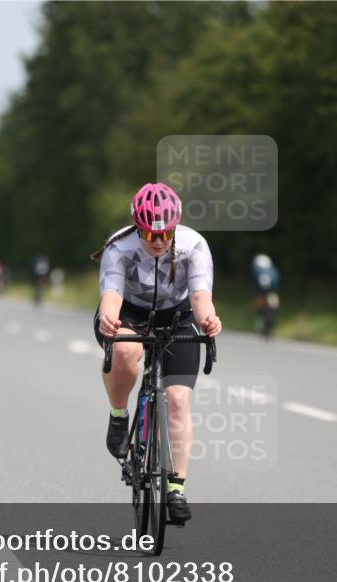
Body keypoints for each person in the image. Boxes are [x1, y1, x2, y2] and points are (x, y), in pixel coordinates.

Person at [91, 182, 222, 525]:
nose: (158, 241)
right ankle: (119, 415)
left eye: (165, 234)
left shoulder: (194, 246)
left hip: (178, 315)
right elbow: (112, 295)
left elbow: (200, 296)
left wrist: (208, 318)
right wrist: (109, 319)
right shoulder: (119, 247)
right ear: (138, 228)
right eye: (150, 234)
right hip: (130, 313)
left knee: (178, 400)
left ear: (174, 227)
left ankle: (176, 487)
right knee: (125, 350)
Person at [251, 254, 280, 338]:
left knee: (260, 309)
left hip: (262, 293)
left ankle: (260, 324)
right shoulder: (273, 271)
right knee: (273, 308)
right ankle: (269, 326)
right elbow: (276, 283)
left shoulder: (257, 271)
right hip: (271, 293)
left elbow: (256, 284)